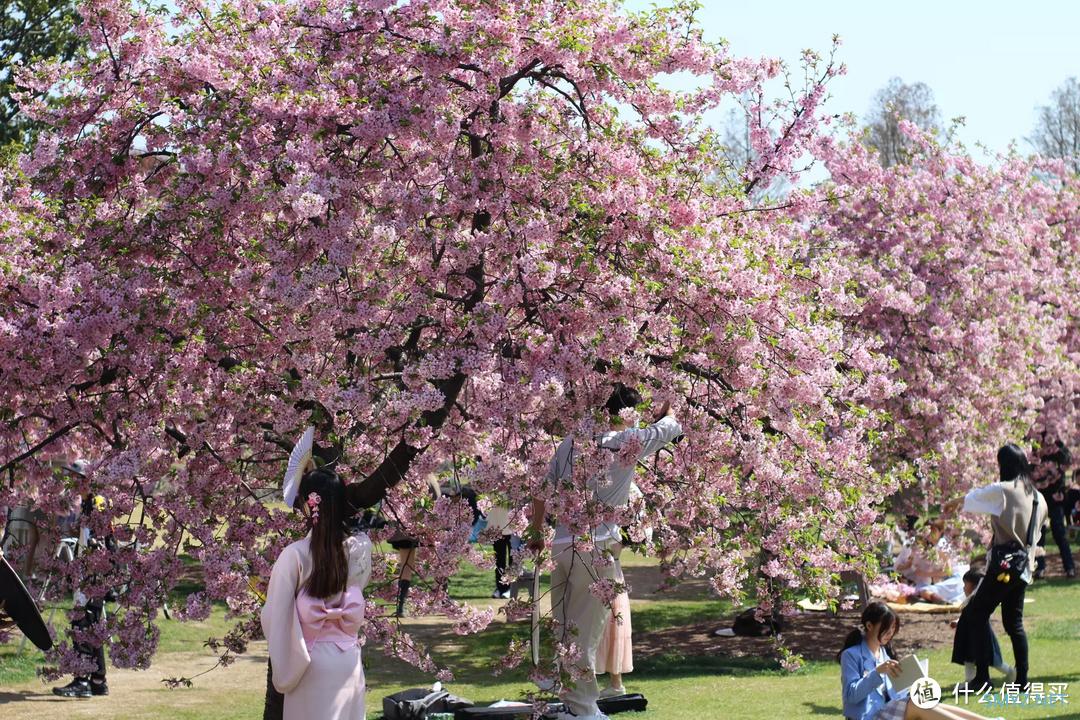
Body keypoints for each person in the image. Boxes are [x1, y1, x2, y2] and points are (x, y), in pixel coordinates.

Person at [529, 384, 682, 720]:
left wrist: (537, 530)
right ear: (626, 413)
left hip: (561, 543)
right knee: (586, 629)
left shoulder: (572, 441)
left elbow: (541, 487)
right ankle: (583, 709)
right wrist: (669, 409)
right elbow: (670, 427)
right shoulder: (626, 440)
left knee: (565, 625)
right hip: (596, 547)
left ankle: (569, 699)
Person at [261, 468, 372, 720]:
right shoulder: (361, 547)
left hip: (309, 662)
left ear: (307, 507)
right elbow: (359, 585)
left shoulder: (295, 555)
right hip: (348, 658)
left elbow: (275, 616)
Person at [951, 443, 1048, 693]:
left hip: (1003, 566)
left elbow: (972, 500)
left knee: (975, 614)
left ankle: (982, 677)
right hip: (1024, 567)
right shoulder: (1039, 497)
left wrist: (953, 503)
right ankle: (1022, 680)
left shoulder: (1003, 491)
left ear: (1003, 464)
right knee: (1014, 623)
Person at [840, 601, 1000, 720]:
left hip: (886, 711)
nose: (890, 635)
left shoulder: (883, 652)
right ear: (869, 625)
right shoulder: (851, 655)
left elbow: (894, 693)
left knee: (924, 701)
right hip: (868, 716)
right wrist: (878, 672)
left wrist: (913, 682)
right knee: (918, 704)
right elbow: (851, 695)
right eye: (886, 630)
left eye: (892, 631)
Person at [948, 568, 1014, 684]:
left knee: (994, 661)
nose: (963, 588)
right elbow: (967, 617)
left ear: (975, 586)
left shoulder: (978, 601)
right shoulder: (970, 601)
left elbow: (976, 618)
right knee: (968, 659)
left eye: (965, 584)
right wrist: (959, 622)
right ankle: (970, 680)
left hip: (981, 636)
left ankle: (1011, 672)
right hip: (968, 636)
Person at [1032, 439, 1075, 579]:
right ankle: (1040, 568)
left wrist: (1057, 445)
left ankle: (1069, 567)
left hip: (1056, 497)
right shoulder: (1035, 441)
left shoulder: (1056, 444)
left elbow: (1067, 460)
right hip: (1040, 497)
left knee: (1059, 534)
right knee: (1039, 535)